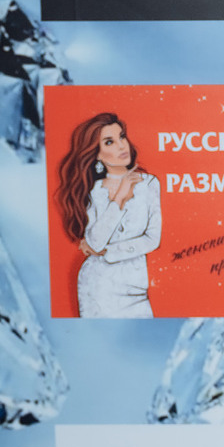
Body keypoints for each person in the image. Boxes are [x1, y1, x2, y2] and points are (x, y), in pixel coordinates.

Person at [53, 111, 161, 318]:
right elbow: (95, 243)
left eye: (122, 137)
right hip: (98, 286)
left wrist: (110, 251)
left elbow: (152, 239)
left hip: (136, 289)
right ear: (97, 155)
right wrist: (119, 198)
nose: (121, 146)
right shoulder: (94, 191)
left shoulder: (149, 184)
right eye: (109, 142)